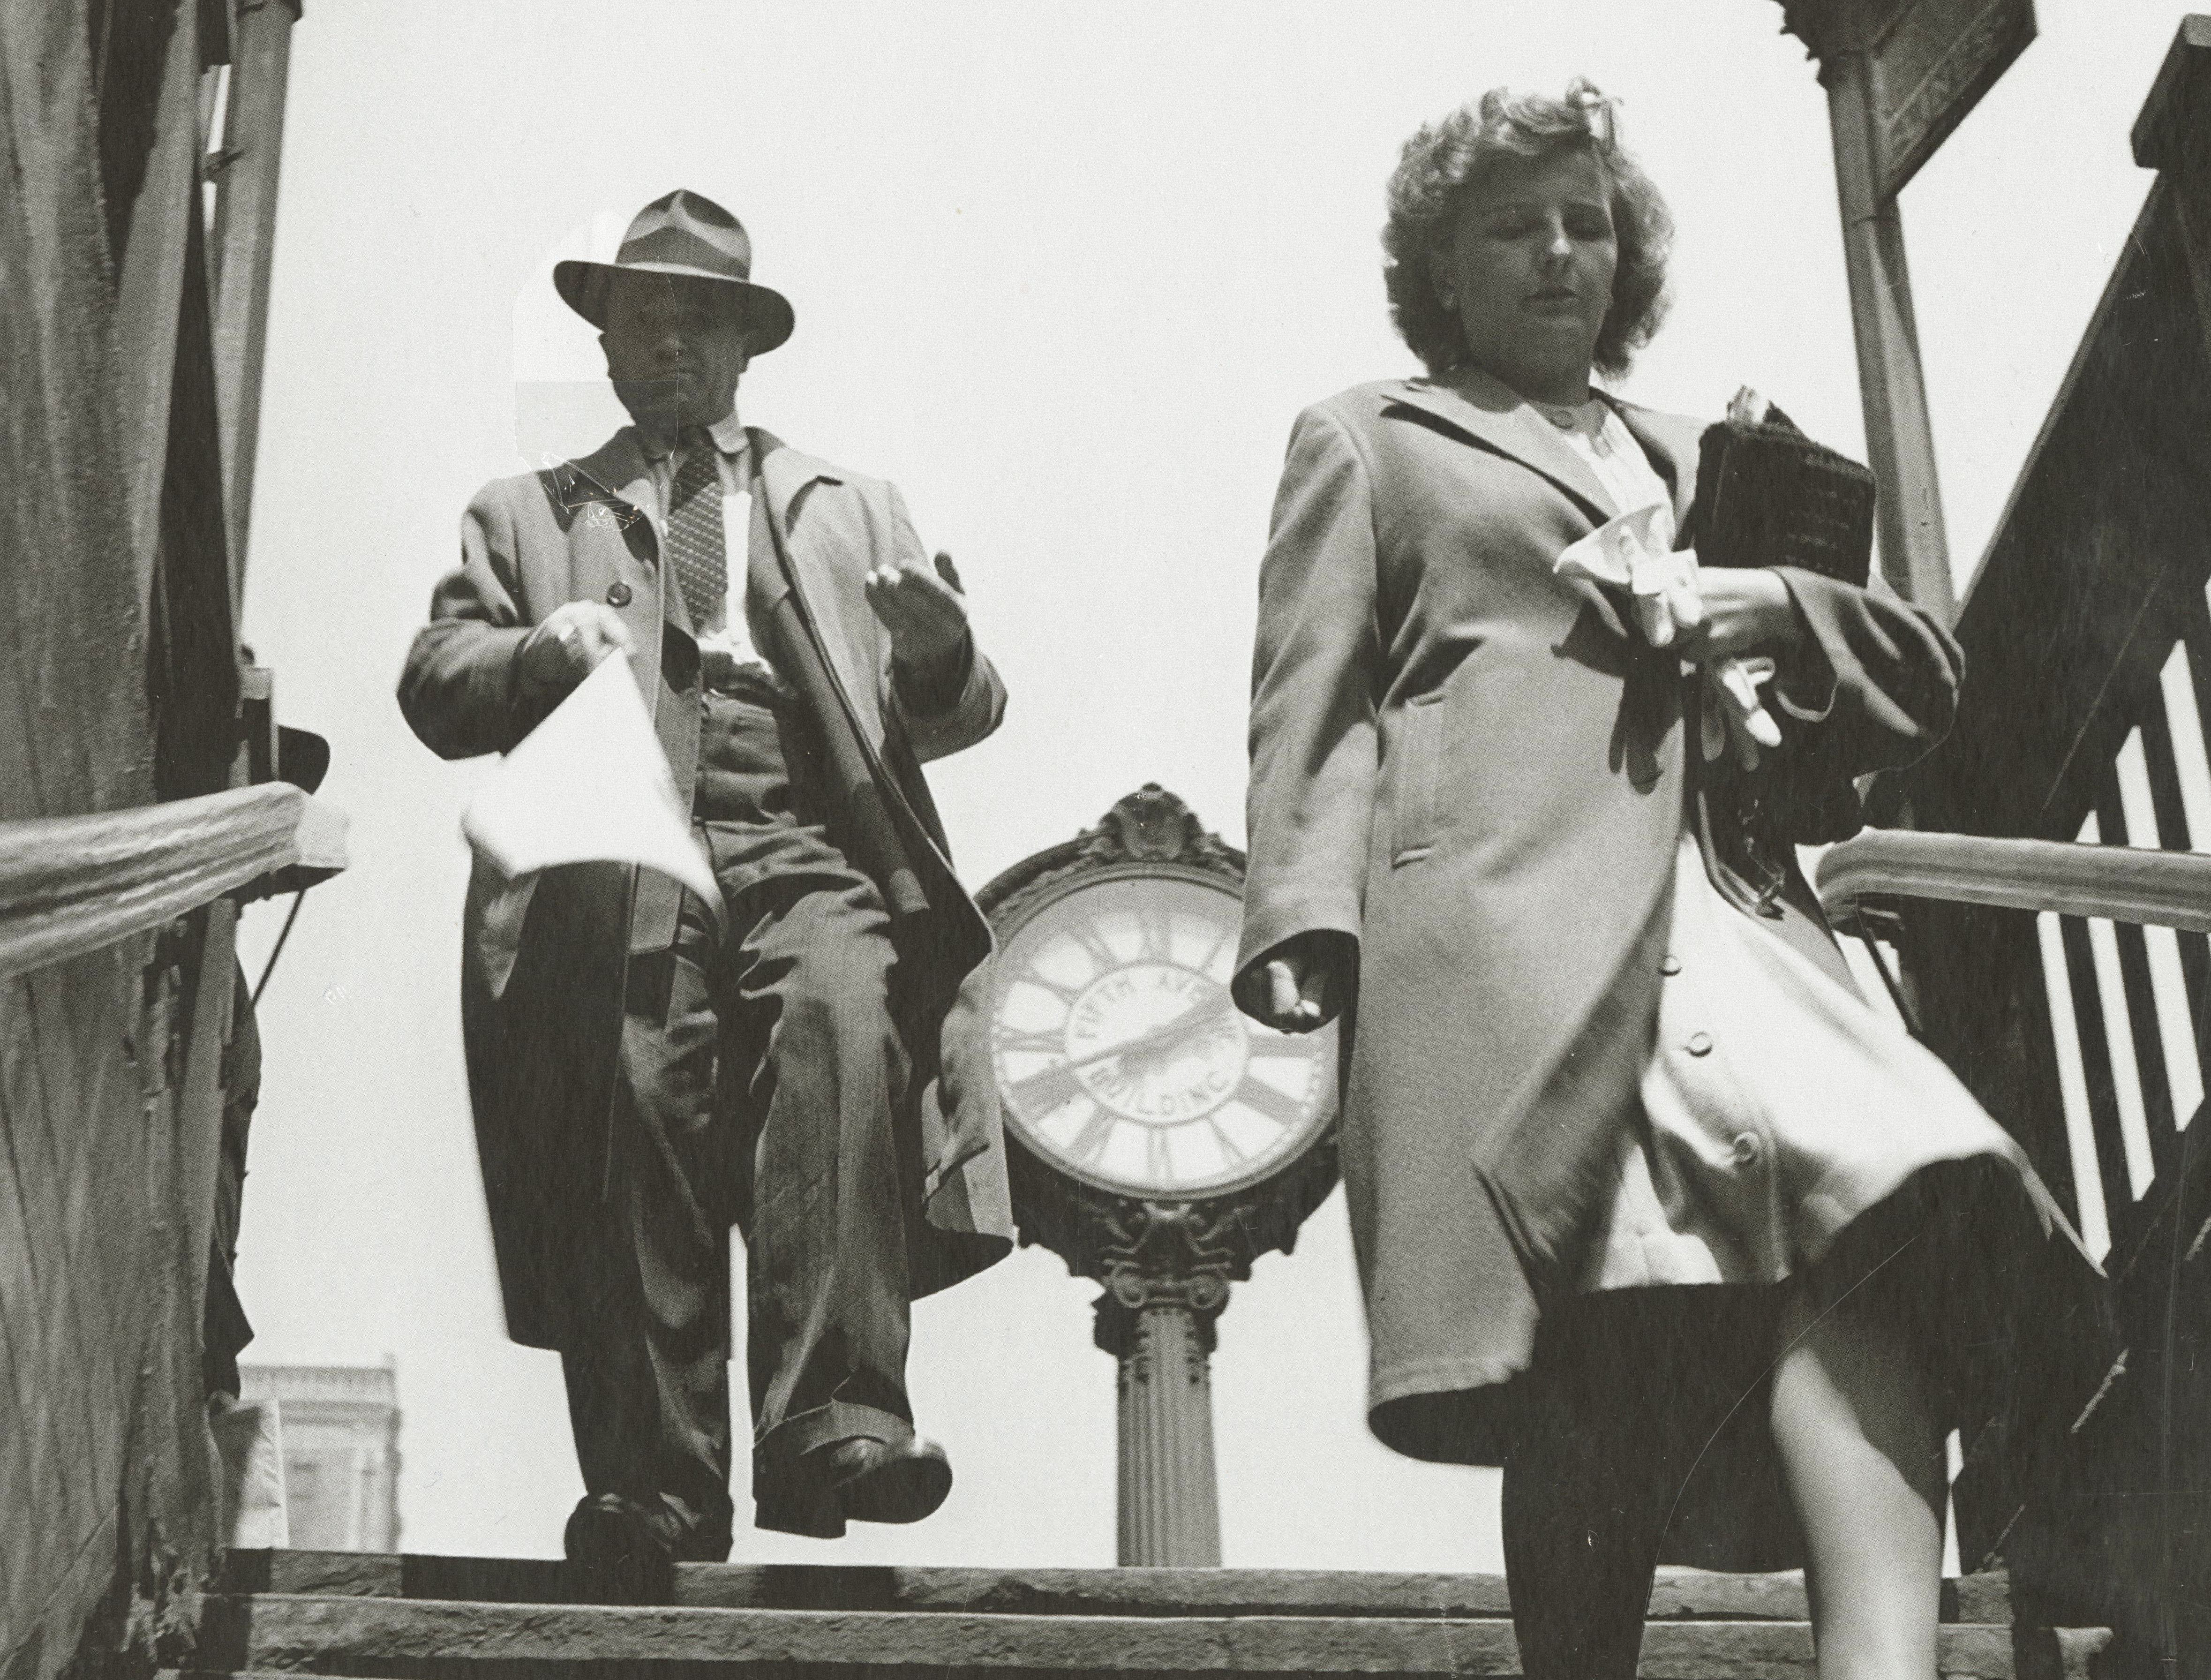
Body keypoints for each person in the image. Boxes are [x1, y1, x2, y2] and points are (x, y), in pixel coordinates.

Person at [1231, 85, 2106, 1680]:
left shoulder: (1715, 458)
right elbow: (1315, 698)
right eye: (1514, 226)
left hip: (1739, 922)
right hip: (1513, 925)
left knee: (1895, 1208)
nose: (1560, 253)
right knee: (1605, 1323)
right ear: (1442, 267)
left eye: (1587, 222)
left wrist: (1766, 602)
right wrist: (1301, 915)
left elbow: (1921, 676)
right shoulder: (1371, 438)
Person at [398, 189, 1013, 1589]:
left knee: (843, 1018)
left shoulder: (853, 505)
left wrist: (935, 651)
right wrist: (534, 656)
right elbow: (437, 682)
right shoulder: (526, 510)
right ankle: (656, 1487)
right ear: (606, 346)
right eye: (644, 316)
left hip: (805, 820)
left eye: (700, 317)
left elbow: (965, 703)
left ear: (748, 344)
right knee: (634, 1098)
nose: (671, 339)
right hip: (619, 824)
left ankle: (835, 1425)